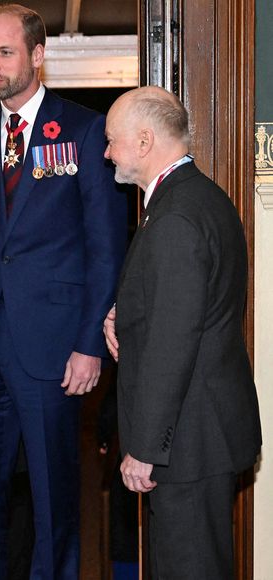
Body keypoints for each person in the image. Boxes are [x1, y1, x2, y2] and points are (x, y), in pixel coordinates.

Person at [0, 4, 127, 578]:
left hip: (54, 348)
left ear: (38, 56)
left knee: (52, 499)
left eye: (4, 53)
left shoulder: (85, 130)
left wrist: (91, 343)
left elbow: (105, 249)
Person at [102, 86, 262, 579]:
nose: (107, 152)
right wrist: (123, 313)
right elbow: (182, 307)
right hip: (200, 433)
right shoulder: (200, 197)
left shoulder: (175, 218)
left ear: (145, 140)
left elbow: (174, 343)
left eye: (112, 140)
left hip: (186, 443)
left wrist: (145, 448)